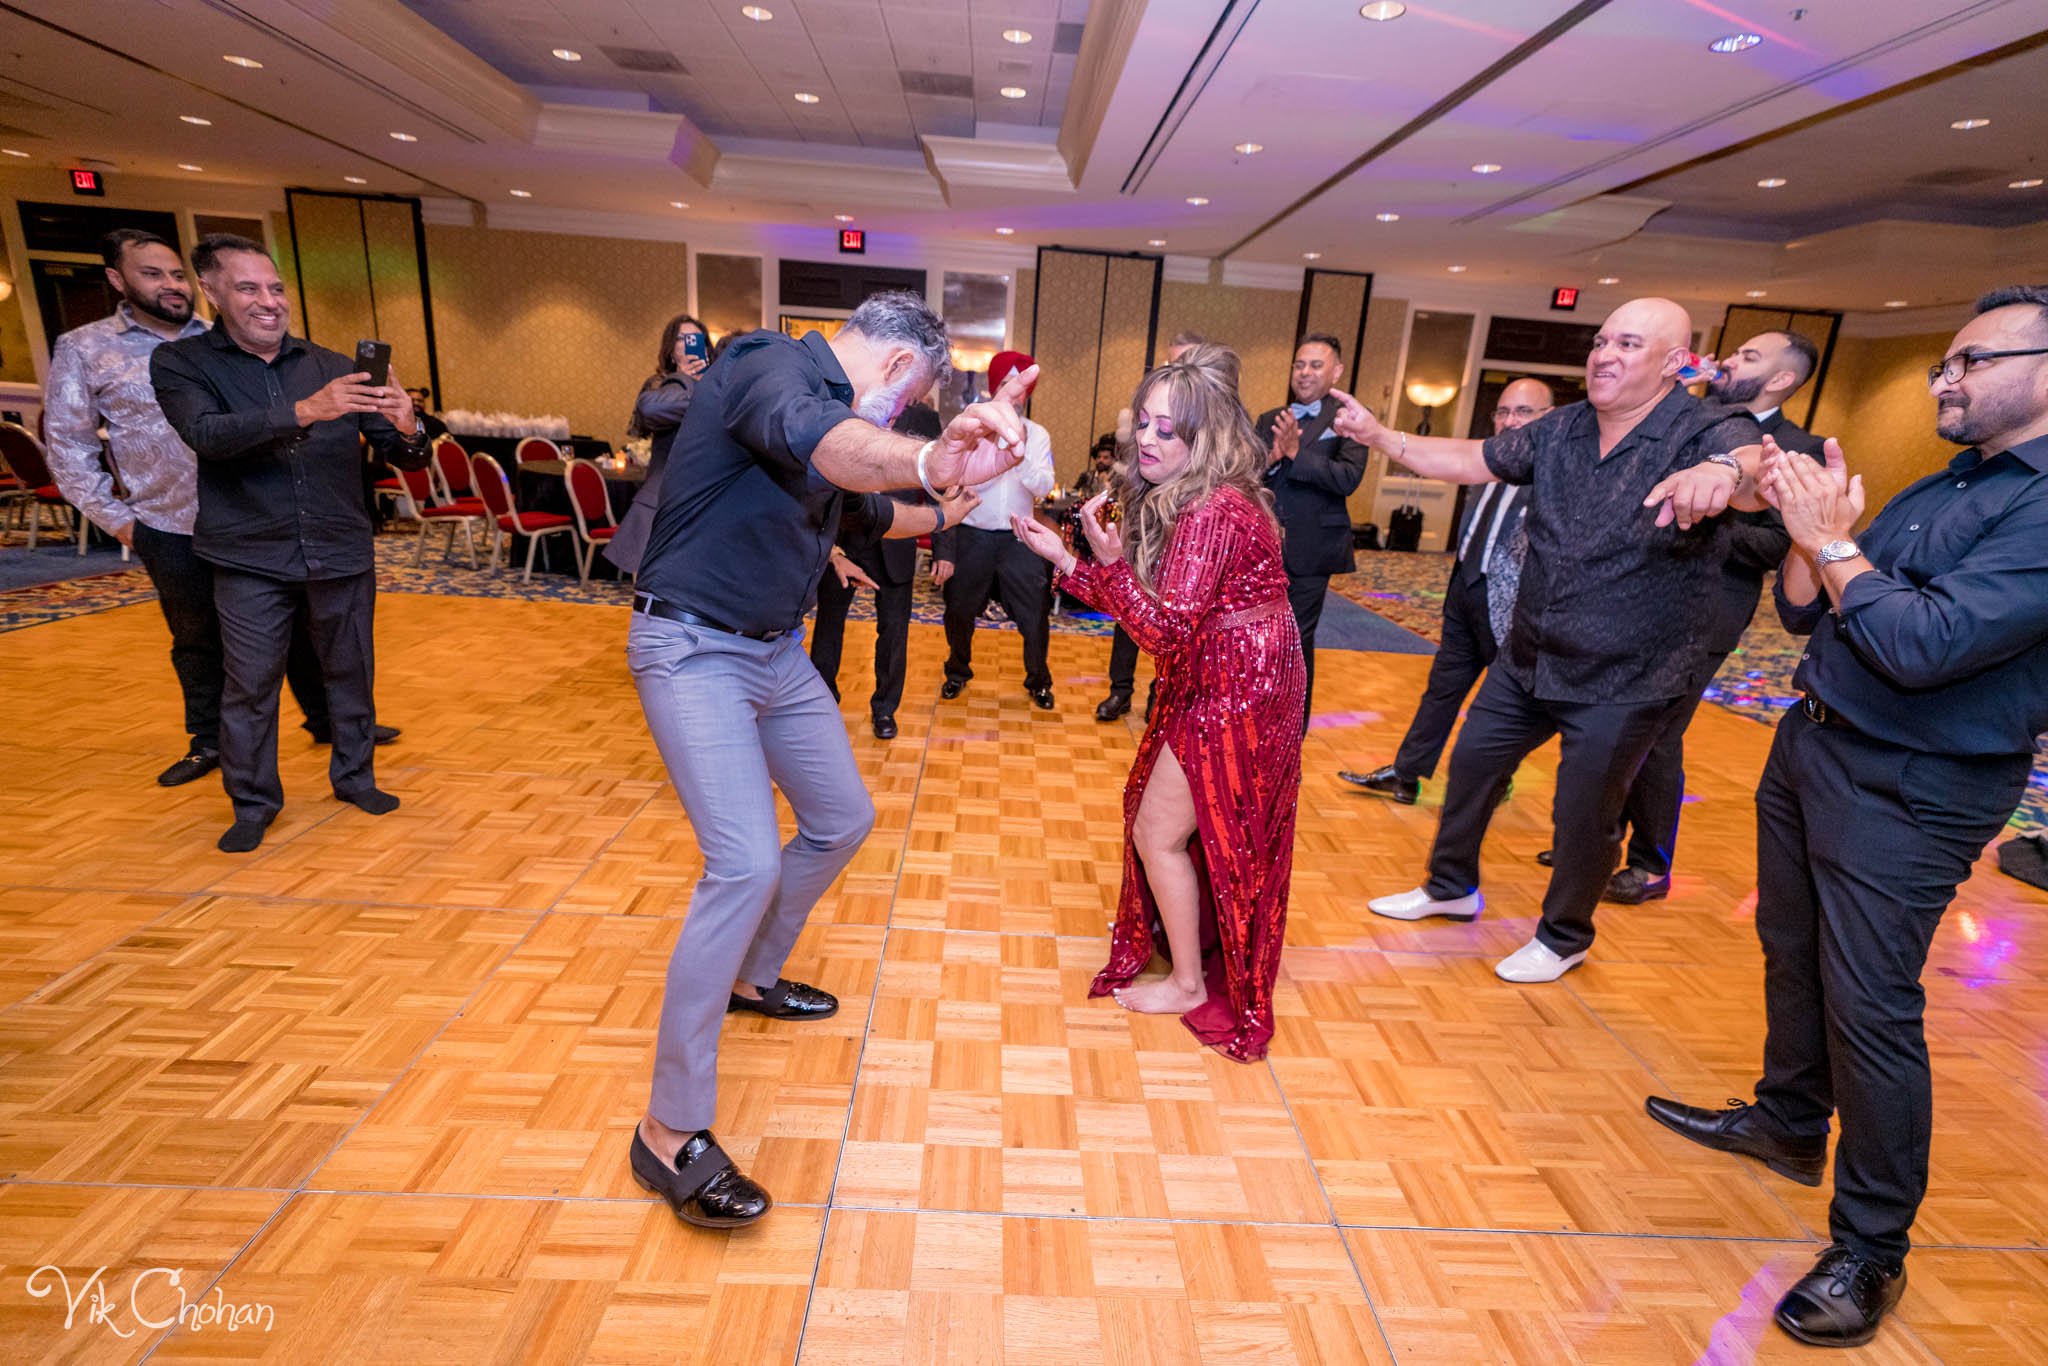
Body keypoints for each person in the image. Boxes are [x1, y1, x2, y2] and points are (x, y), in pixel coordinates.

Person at [1647, 285, 2048, 1349]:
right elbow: (1805, 602)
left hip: (1913, 782)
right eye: (1942, 365)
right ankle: (1786, 1121)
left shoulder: (2041, 505)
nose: (1943, 379)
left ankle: (1870, 1242)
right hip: (1814, 738)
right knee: (1791, 950)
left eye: (1969, 361)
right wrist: (1803, 532)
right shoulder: (1940, 485)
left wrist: (1831, 546)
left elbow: (1922, 642)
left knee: (1868, 1003)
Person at [625, 291, 1035, 1228]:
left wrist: (940, 506)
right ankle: (666, 1131)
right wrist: (930, 456)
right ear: (897, 369)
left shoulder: (837, 431)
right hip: (692, 648)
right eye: (911, 398)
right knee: (743, 861)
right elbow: (830, 440)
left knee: (843, 818)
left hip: (772, 651)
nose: (900, 414)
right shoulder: (767, 365)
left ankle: (750, 977)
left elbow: (862, 516)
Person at [1333, 298, 1769, 982]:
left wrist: (1724, 474)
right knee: (1473, 765)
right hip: (1533, 651)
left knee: (1584, 813)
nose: (1605, 355)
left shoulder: (1704, 426)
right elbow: (1471, 457)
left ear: (1676, 364)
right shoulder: (1561, 428)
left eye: (1627, 344)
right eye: (1601, 341)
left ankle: (1566, 935)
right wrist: (1382, 436)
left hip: (1627, 674)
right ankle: (1450, 888)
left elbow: (1750, 466)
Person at [1014, 344, 1306, 1062]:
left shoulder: (1211, 510)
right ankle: (1191, 961)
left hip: (1240, 683)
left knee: (1160, 830)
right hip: (1230, 669)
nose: (1145, 439)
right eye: (1143, 422)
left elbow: (1163, 631)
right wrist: (1069, 562)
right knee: (1166, 826)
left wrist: (1102, 565)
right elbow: (1159, 610)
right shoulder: (1202, 498)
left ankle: (1187, 981)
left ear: (1202, 439)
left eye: (1165, 430)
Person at [43, 230, 393, 788]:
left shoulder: (241, 340)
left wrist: (399, 420)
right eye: (153, 274)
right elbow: (69, 445)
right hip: (170, 519)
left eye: (176, 273)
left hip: (279, 520)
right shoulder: (95, 349)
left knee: (309, 636)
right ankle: (210, 744)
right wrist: (122, 522)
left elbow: (364, 439)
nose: (170, 284)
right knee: (207, 645)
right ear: (118, 280)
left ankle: (334, 732)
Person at [150, 233, 430, 853]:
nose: (268, 301)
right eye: (248, 288)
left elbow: (402, 457)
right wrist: (307, 411)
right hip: (249, 555)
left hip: (339, 549)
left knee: (351, 673)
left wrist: (407, 422)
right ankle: (253, 803)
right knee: (250, 685)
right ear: (212, 291)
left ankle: (355, 778)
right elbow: (208, 435)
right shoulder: (183, 364)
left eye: (275, 288)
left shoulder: (334, 365)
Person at [1588, 330, 1829, 902]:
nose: (1727, 361)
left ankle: (1650, 864)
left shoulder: (1796, 451)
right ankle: (1602, 839)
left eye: (1747, 356)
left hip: (1705, 615)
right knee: (1615, 725)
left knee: (1657, 735)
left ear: (1780, 380)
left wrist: (1699, 510)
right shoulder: (1688, 422)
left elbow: (1777, 545)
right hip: (1635, 601)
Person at [1338, 378, 1555, 802]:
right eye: (1503, 411)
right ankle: (1406, 773)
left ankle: (1497, 773)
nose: (1510, 421)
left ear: (1547, 419)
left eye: (1523, 412)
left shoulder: (1551, 475)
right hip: (1464, 592)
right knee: (1441, 690)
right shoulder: (1483, 462)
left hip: (1511, 609)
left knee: (1506, 703)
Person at [811, 403, 966, 739]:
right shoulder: (846, 404)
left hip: (897, 540)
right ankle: (822, 706)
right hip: (843, 539)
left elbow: (942, 483)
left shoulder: (922, 417)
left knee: (895, 633)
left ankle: (885, 710)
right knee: (828, 627)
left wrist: (944, 548)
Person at [1252, 333, 1372, 723]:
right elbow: (1248, 479)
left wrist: (1294, 454)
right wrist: (1269, 461)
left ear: (1336, 371)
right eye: (1299, 364)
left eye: (1315, 365)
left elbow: (1348, 478)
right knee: (1258, 636)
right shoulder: (1270, 419)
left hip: (1312, 547)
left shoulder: (1348, 418)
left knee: (1296, 639)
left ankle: (1290, 726)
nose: (1304, 373)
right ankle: (1255, 715)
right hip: (1264, 546)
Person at [1099, 331, 1213, 723]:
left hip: (1178, 536)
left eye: (1185, 363)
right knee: (1127, 611)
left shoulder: (1208, 502)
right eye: (1171, 362)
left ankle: (1158, 695)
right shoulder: (1145, 416)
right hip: (1141, 529)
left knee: (1168, 623)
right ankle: (1120, 691)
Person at [934, 350, 1058, 709]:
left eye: (1020, 388)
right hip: (973, 535)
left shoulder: (1038, 435)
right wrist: (995, 452)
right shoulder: (973, 430)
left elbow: (1043, 486)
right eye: (1006, 384)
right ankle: (957, 672)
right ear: (994, 388)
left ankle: (1039, 681)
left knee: (1034, 614)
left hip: (1020, 539)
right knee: (958, 611)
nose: (1015, 394)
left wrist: (1016, 457)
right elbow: (957, 485)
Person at [606, 313, 709, 576]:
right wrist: (685, 383)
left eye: (695, 338)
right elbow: (649, 412)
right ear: (671, 349)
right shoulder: (660, 386)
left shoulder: (716, 385)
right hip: (664, 498)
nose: (689, 343)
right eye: (682, 338)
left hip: (703, 500)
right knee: (653, 584)